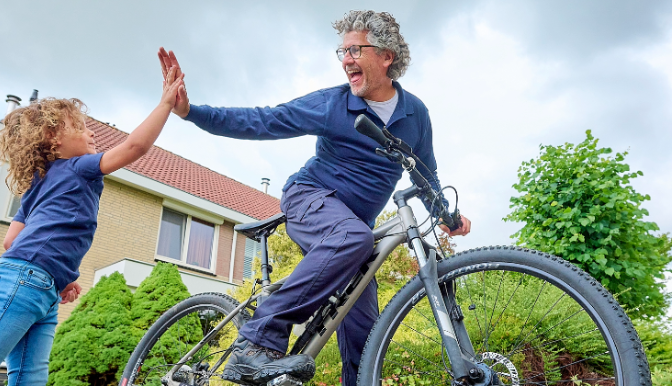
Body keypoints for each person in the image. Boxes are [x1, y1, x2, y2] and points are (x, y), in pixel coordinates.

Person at [158, 10, 471, 386]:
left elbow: (426, 173)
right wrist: (190, 112)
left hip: (356, 230)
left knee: (365, 334)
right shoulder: (333, 104)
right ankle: (254, 344)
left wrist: (448, 216)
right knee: (351, 239)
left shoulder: (414, 114)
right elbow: (264, 120)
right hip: (311, 198)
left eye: (355, 50)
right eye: (342, 52)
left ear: (387, 56)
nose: (346, 60)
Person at [0, 66, 185, 386]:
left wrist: (60, 276)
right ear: (53, 138)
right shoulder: (78, 167)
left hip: (37, 286)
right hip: (24, 283)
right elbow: (133, 148)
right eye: (82, 127)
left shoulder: (38, 184)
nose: (92, 133)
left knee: (29, 381)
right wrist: (166, 104)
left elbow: (10, 240)